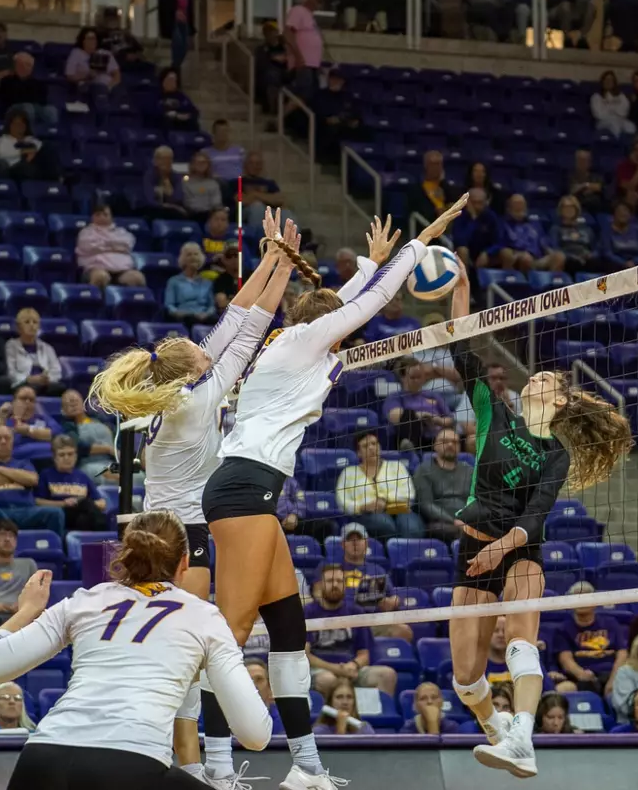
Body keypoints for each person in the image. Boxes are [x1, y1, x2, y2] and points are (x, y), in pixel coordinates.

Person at [198, 200, 468, 790]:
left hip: (254, 494)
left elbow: (349, 301)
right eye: (339, 326)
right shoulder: (297, 342)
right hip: (241, 488)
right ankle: (215, 767)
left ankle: (307, 766)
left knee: (289, 632)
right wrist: (419, 242)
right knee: (231, 635)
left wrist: (370, 264)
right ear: (325, 325)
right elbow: (363, 305)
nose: (350, 332)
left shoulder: (301, 346)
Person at [87, 213, 293, 776]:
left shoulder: (173, 391)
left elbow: (232, 321)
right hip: (181, 531)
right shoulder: (199, 400)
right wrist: (282, 263)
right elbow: (250, 330)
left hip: (154, 524)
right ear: (194, 370)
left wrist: (274, 256)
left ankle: (188, 759)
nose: (209, 352)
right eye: (202, 354)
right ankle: (200, 763)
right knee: (193, 640)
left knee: (176, 639)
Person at [437, 273, 632, 777]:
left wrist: (501, 550)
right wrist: (460, 288)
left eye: (546, 381)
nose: (535, 380)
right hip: (474, 549)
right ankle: (497, 730)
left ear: (562, 402)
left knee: (523, 638)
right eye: (536, 377)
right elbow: (460, 342)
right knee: (465, 679)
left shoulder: (555, 456)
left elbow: (534, 517)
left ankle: (524, 734)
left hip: (520, 551)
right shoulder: (493, 413)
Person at [0, 512, 271, 790]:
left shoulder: (85, 600)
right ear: (184, 562)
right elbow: (255, 735)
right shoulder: (204, 616)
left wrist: (28, 609)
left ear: (125, 556)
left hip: (42, 759)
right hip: (129, 763)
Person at [305, 563, 395, 700]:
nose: (335, 585)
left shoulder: (356, 612)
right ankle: (328, 720)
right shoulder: (308, 612)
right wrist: (336, 669)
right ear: (320, 585)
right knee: (328, 680)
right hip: (320, 670)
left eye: (339, 581)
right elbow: (305, 656)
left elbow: (364, 654)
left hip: (351, 669)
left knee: (387, 675)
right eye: (329, 581)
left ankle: (378, 720)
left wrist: (354, 665)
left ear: (344, 586)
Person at [334, 429, 423, 540]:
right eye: (365, 446)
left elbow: (409, 493)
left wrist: (383, 499)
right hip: (367, 514)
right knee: (385, 525)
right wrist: (362, 506)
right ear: (358, 453)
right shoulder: (348, 473)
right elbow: (342, 501)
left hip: (399, 510)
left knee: (412, 528)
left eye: (374, 444)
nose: (371, 448)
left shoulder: (397, 466)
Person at [547, 581, 628, 693]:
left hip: (610, 674)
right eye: (576, 597)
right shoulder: (563, 629)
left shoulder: (611, 623)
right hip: (579, 678)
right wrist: (582, 675)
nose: (581, 600)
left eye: (585, 596)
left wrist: (614, 679)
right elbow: (566, 660)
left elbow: (622, 653)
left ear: (595, 601)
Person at [413, 425, 472, 541]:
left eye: (455, 442)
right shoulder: (423, 470)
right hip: (440, 523)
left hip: (468, 521)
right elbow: (426, 505)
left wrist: (469, 521)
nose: (450, 445)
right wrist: (454, 521)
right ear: (435, 445)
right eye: (445, 441)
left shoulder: (468, 470)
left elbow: (476, 500)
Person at [76, 204, 147, 288]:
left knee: (137, 278)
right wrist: (115, 246)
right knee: (101, 277)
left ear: (111, 217)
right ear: (92, 217)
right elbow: (89, 247)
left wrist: (103, 245)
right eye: (98, 214)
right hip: (96, 269)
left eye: (105, 214)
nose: (102, 217)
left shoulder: (121, 232)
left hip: (122, 269)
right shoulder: (86, 233)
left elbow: (127, 245)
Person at [4, 307, 62, 393]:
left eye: (35, 322)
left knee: (61, 388)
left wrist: (46, 379)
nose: (32, 325)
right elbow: (10, 373)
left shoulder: (47, 347)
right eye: (27, 322)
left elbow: (57, 371)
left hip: (45, 385)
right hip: (23, 384)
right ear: (18, 327)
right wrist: (28, 379)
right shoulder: (11, 346)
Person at [164, 243, 217, 325]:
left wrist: (206, 314)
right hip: (184, 318)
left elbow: (211, 306)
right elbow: (169, 306)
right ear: (183, 259)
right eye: (189, 255)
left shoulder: (207, 283)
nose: (193, 257)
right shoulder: (174, 281)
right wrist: (182, 314)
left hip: (204, 318)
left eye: (196, 254)